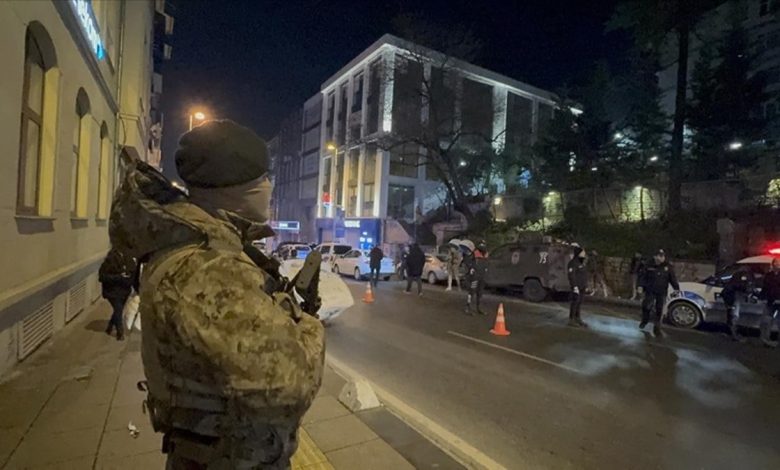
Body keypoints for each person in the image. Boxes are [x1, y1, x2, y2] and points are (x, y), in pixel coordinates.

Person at [108, 120, 325, 469]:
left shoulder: (198, 249)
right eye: (262, 177)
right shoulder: (209, 268)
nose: (269, 186)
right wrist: (308, 325)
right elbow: (289, 386)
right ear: (235, 187)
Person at [638, 249, 680, 337]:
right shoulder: (648, 265)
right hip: (650, 290)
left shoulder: (668, 267)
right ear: (655, 256)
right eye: (660, 256)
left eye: (663, 256)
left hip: (662, 291)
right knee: (646, 306)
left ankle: (657, 326)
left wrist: (676, 288)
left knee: (659, 309)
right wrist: (640, 286)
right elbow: (642, 276)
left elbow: (672, 278)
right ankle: (645, 320)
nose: (662, 258)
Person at [98, 248, 136, 341]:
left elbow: (132, 276)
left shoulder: (129, 261)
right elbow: (102, 277)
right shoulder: (108, 263)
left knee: (118, 310)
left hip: (124, 291)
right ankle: (120, 332)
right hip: (112, 292)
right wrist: (119, 277)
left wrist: (128, 280)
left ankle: (110, 326)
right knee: (118, 309)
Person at [720, 267, 754, 342]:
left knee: (731, 315)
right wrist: (748, 290)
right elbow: (744, 287)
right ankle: (734, 335)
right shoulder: (740, 279)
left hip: (729, 297)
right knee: (734, 316)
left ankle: (730, 333)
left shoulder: (735, 276)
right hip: (732, 297)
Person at [760, 258, 780, 348]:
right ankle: (766, 340)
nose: (777, 265)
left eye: (779, 263)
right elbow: (765, 287)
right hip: (770, 302)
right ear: (773, 264)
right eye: (776, 263)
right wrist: (762, 297)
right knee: (766, 322)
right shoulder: (768, 275)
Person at [464, 241, 488, 315]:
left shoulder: (486, 254)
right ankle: (468, 307)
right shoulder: (474, 254)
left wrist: (486, 268)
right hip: (475, 276)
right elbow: (467, 261)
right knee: (472, 291)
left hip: (482, 275)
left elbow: (487, 263)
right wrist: (471, 268)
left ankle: (479, 308)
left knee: (480, 292)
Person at [567, 246, 589, 328]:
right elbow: (571, 276)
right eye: (583, 252)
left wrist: (586, 285)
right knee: (575, 303)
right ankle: (571, 319)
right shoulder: (573, 263)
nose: (584, 253)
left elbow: (584, 275)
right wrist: (574, 286)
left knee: (579, 303)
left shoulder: (582, 262)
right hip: (577, 287)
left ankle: (577, 318)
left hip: (582, 286)